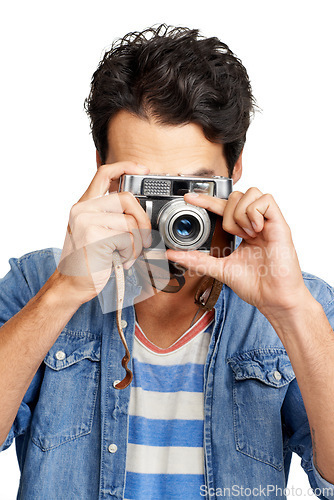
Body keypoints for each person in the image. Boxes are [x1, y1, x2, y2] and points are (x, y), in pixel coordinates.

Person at [0, 23, 334, 500]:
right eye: (152, 188)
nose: (175, 214)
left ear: (234, 171)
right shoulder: (37, 283)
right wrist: (65, 290)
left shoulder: (302, 303)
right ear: (103, 168)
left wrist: (291, 310)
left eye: (195, 187)